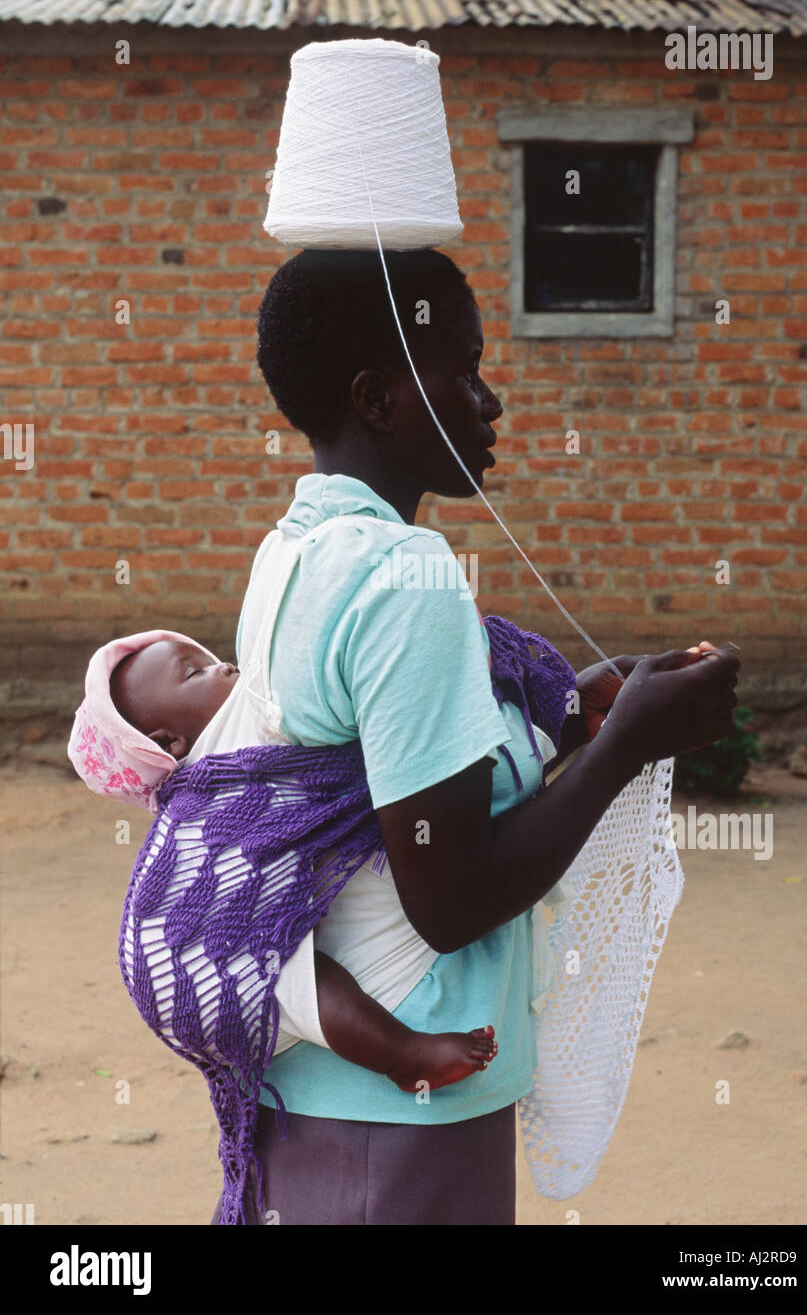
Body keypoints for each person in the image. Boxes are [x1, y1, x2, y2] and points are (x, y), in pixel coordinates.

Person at [197, 245, 738, 1226]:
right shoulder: (410, 577)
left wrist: (582, 706)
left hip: (323, 1090)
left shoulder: (294, 550)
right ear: (376, 398)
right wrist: (624, 747)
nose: (490, 402)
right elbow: (449, 897)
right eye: (465, 369)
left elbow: (401, 772)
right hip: (408, 1102)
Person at [107, 635, 499, 1092]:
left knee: (297, 965)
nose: (226, 668)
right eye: (196, 672)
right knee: (308, 979)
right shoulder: (224, 776)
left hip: (196, 964)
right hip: (196, 971)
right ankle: (404, 1056)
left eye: (217, 660)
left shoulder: (246, 750)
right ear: (170, 741)